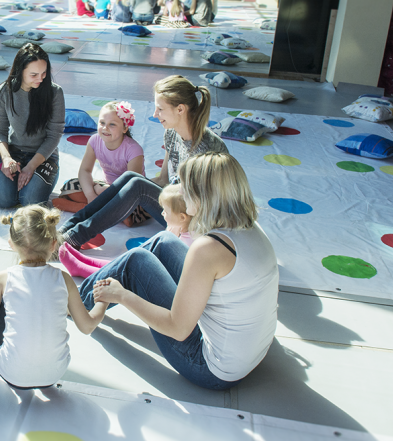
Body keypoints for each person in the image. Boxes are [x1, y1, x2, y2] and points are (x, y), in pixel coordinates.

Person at [83, 153, 279, 390]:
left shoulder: (209, 248)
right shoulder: (249, 226)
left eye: (185, 187)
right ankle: (87, 294)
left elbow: (177, 329)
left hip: (212, 368)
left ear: (203, 195)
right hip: (251, 353)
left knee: (136, 262)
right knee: (163, 240)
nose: (180, 192)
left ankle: (76, 303)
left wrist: (122, 295)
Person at [59, 75, 227, 248]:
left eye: (160, 109)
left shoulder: (206, 149)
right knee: (131, 178)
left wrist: (132, 193)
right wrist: (121, 194)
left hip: (194, 219)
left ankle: (72, 240)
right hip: (176, 204)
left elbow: (204, 205)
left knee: (137, 186)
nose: (155, 114)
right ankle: (65, 231)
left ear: (180, 109)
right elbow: (164, 180)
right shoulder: (172, 133)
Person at [0, 205, 108, 389]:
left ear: (11, 242)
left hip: (11, 372)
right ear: (53, 243)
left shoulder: (3, 278)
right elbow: (87, 326)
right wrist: (103, 301)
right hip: (55, 373)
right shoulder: (64, 279)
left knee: (3, 301)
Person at [0, 43, 65, 208]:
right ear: (20, 71)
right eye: (34, 74)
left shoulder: (55, 93)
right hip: (15, 153)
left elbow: (54, 135)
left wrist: (31, 167)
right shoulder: (5, 91)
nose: (41, 79)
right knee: (3, 199)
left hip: (44, 156)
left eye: (44, 73)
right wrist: (6, 158)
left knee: (30, 202)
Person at [53, 101, 144, 214]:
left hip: (126, 192)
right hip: (104, 188)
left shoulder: (134, 149)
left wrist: (103, 191)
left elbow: (132, 186)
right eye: (102, 122)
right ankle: (104, 209)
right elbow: (85, 171)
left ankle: (86, 208)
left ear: (125, 128)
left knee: (138, 206)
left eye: (112, 124)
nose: (105, 128)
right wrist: (91, 195)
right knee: (70, 185)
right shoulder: (94, 141)